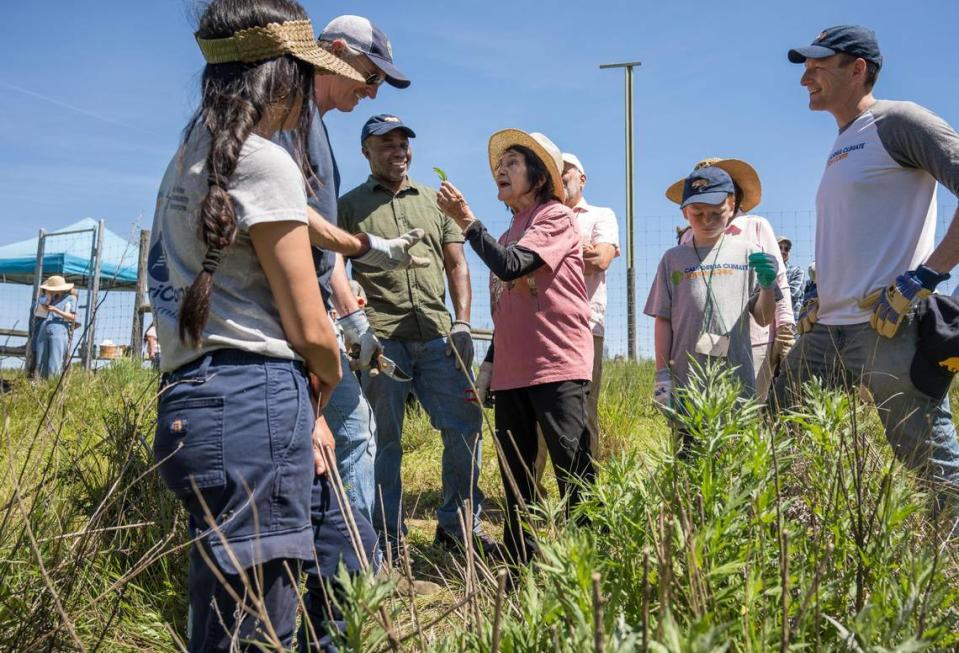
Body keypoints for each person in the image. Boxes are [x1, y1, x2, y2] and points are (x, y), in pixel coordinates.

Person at [147, 3, 377, 649]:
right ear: (279, 76)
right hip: (255, 402)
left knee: (229, 605)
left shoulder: (185, 160)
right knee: (257, 625)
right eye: (302, 76)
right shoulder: (266, 163)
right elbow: (309, 326)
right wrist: (327, 376)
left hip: (192, 398)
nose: (306, 94)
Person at [773, 25, 959, 533]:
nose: (805, 77)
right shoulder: (843, 143)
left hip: (887, 330)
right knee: (777, 433)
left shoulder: (897, 122)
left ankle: (948, 571)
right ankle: (797, 548)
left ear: (858, 69)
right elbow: (856, 233)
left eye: (818, 65)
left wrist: (925, 275)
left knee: (929, 465)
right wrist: (817, 287)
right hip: (826, 331)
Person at [275, 13, 413, 527]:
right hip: (289, 320)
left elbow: (324, 255)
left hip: (313, 316)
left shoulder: (313, 128)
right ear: (332, 50)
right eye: (370, 76)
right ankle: (351, 574)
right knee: (349, 435)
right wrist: (367, 246)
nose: (374, 93)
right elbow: (288, 222)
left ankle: (340, 566)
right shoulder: (288, 119)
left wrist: (353, 322)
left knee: (349, 433)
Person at [436, 129, 595, 565]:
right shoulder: (508, 233)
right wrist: (490, 367)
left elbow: (511, 268)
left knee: (573, 470)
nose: (500, 170)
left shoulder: (555, 218)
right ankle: (520, 559)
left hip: (556, 365)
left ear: (539, 177)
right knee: (516, 474)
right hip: (512, 372)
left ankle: (591, 562)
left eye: (512, 163)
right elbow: (506, 312)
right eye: (498, 164)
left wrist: (467, 222)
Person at [338, 114, 494, 556]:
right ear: (365, 151)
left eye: (403, 142)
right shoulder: (348, 207)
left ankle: (458, 526)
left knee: (466, 427)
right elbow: (336, 270)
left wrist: (462, 321)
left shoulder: (433, 201)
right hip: (381, 341)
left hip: (439, 337)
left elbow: (457, 264)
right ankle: (386, 539)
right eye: (386, 143)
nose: (398, 150)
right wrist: (353, 325)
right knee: (380, 440)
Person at [647, 167, 781, 451]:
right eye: (698, 213)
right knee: (690, 462)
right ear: (684, 213)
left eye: (716, 212)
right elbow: (662, 320)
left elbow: (763, 317)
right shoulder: (672, 259)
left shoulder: (747, 252)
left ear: (731, 206)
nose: (707, 220)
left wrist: (768, 286)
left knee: (735, 462)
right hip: (687, 382)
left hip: (736, 383)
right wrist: (662, 376)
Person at [670, 157, 795, 400]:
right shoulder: (688, 239)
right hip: (702, 341)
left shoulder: (755, 226)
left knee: (748, 409)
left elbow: (777, 278)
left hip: (753, 339)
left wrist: (785, 328)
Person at [560, 152, 620, 455]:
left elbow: (600, 259)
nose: (560, 175)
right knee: (538, 413)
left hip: (586, 325)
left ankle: (589, 493)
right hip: (546, 327)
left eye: (566, 170)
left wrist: (554, 253)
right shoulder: (542, 214)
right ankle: (531, 497)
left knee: (584, 407)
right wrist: (579, 249)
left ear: (582, 179)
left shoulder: (601, 215)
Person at [33, 275, 76, 378]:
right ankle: (42, 386)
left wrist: (56, 310)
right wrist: (48, 295)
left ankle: (53, 386)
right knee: (41, 361)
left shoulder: (70, 298)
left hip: (59, 328)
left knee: (55, 361)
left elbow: (73, 316)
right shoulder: (51, 298)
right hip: (45, 327)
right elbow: (43, 305)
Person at [777, 235, 805, 320]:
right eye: (780, 248)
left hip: (790, 324)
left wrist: (766, 293)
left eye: (786, 249)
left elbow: (791, 294)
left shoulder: (797, 271)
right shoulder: (764, 272)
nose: (783, 251)